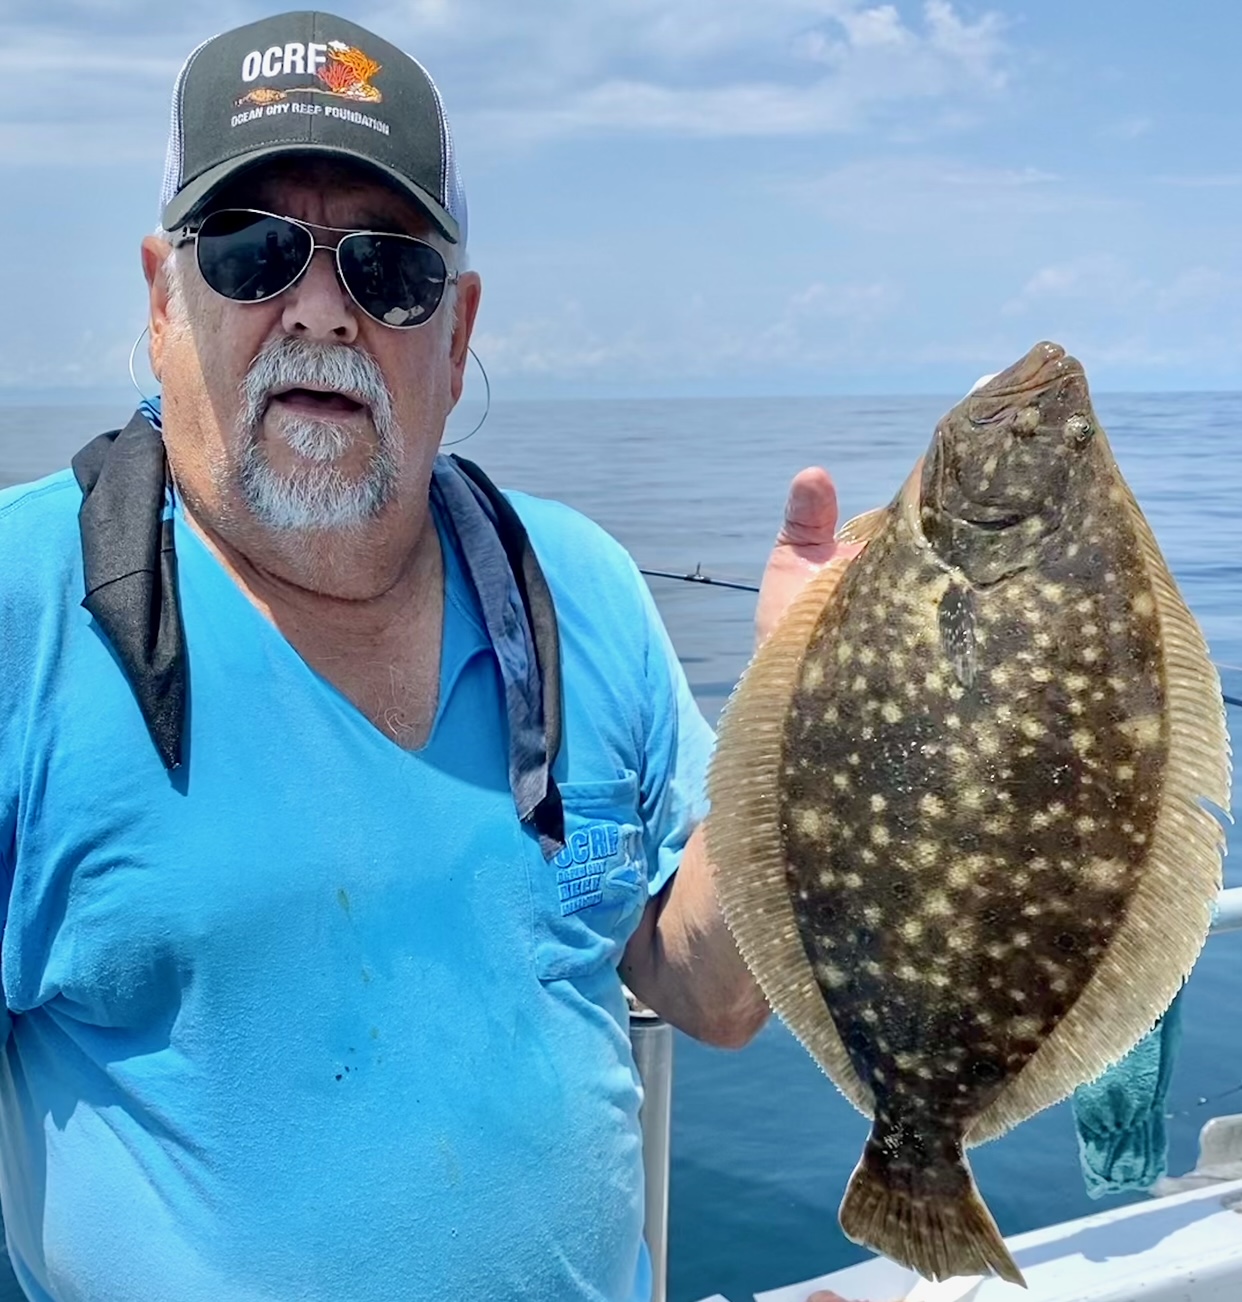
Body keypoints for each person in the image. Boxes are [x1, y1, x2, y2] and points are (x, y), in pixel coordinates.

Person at [0, 11, 876, 1302]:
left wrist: (806, 709)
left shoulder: (576, 583)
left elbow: (713, 995)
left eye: (388, 268)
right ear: (162, 299)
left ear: (456, 333)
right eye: (249, 251)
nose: (320, 310)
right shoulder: (23, 606)